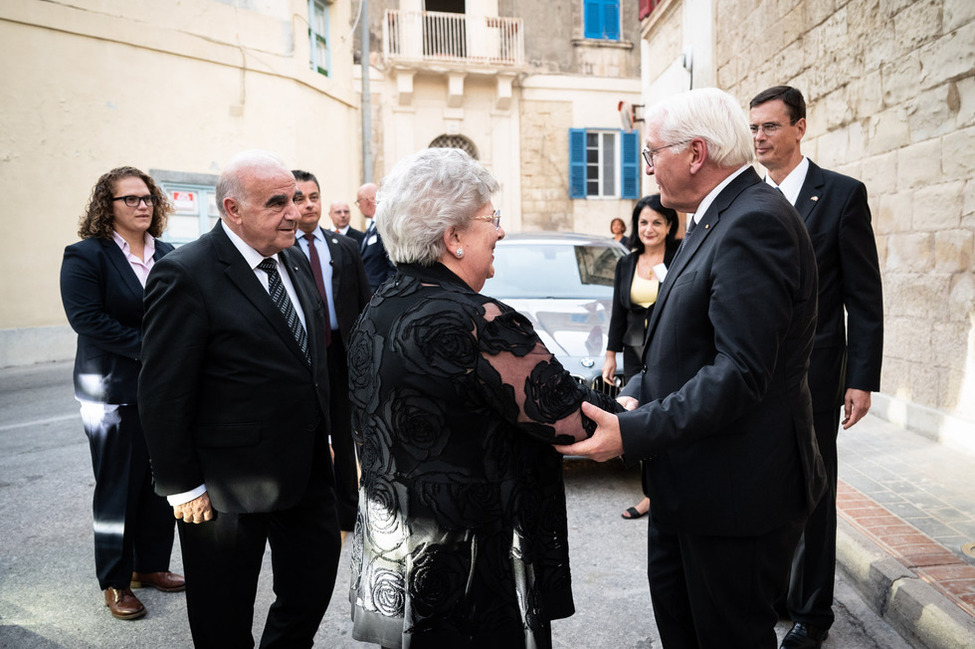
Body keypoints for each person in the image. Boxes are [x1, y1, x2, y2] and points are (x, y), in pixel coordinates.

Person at [556, 88, 826, 649]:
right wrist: (635, 392)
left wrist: (630, 432)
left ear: (697, 153)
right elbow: (683, 343)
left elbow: (741, 372)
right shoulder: (713, 217)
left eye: (653, 152)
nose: (647, 165)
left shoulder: (755, 222)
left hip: (735, 497)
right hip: (693, 487)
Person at [346, 147, 623, 649]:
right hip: (470, 565)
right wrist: (637, 414)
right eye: (490, 220)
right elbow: (567, 418)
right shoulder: (479, 321)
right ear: (453, 238)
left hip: (399, 556)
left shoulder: (380, 307)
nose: (499, 232)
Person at [138, 151, 342, 648]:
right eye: (277, 203)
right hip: (224, 484)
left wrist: (328, 434)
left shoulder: (291, 258)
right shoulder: (185, 273)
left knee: (312, 586)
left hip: (305, 468)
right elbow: (162, 390)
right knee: (222, 612)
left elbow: (309, 357)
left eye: (295, 198)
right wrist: (183, 487)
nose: (294, 212)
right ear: (233, 209)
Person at [750, 85, 884, 649]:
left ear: (800, 128)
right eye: (753, 128)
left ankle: (812, 615)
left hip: (819, 373)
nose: (759, 137)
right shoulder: (745, 197)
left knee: (815, 488)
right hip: (753, 371)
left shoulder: (841, 196)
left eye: (771, 127)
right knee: (765, 484)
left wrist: (861, 377)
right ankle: (777, 592)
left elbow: (864, 296)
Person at [60, 167, 184, 621]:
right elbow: (87, 319)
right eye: (130, 199)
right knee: (117, 488)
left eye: (148, 197)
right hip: (111, 391)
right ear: (106, 207)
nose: (143, 205)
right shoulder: (86, 255)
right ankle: (115, 580)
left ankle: (149, 567)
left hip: (163, 390)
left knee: (160, 483)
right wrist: (154, 349)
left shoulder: (167, 254)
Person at [293, 169, 371, 533]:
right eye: (298, 198)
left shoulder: (345, 248)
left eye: (313, 197)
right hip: (303, 357)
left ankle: (348, 509)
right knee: (307, 431)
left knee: (343, 432)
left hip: (340, 355)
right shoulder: (280, 250)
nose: (307, 205)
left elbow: (364, 302)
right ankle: (310, 507)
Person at [601, 194, 680, 521]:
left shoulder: (681, 257)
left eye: (657, 222)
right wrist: (610, 355)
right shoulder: (626, 263)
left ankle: (671, 491)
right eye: (644, 222)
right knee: (641, 421)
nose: (650, 229)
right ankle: (652, 493)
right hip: (636, 356)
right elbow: (619, 313)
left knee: (670, 419)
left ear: (669, 226)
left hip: (671, 351)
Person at [357, 181, 396, 292]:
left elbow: (393, 264)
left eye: (359, 202)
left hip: (381, 294)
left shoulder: (384, 224)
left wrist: (386, 293)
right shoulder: (371, 228)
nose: (359, 206)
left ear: (367, 201)